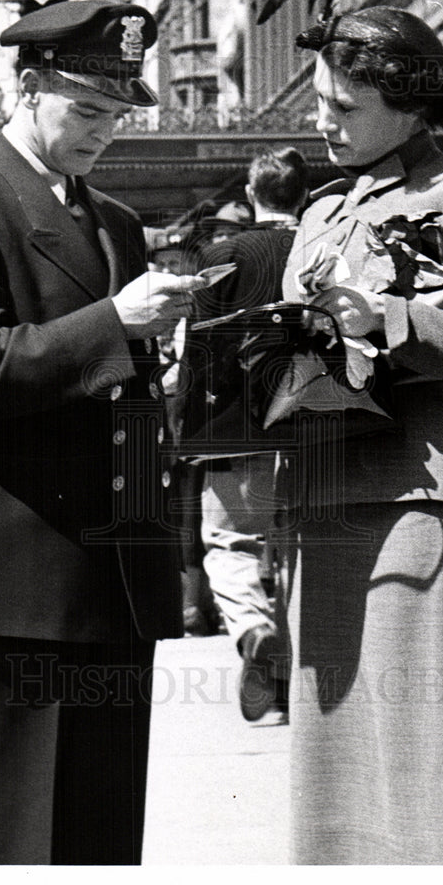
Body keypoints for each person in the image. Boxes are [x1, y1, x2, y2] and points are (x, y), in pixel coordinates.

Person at [0, 0, 205, 865]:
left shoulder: (116, 222)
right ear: (28, 90)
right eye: (89, 110)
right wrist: (114, 320)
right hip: (11, 582)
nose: (106, 131)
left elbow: (133, 401)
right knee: (5, 835)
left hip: (110, 580)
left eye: (119, 114)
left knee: (98, 839)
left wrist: (158, 545)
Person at [271, 5, 443, 864]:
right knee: (335, 761)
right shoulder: (322, 208)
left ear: (410, 103)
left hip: (412, 500)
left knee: (422, 754)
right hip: (321, 495)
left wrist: (390, 318)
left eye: (344, 108)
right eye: (320, 101)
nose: (323, 122)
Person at [195, 147, 309, 721]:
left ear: (250, 195)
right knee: (292, 554)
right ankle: (287, 678)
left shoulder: (223, 257)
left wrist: (190, 432)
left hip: (235, 431)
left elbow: (199, 353)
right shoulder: (322, 252)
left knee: (230, 543)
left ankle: (252, 628)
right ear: (304, 196)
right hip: (313, 430)